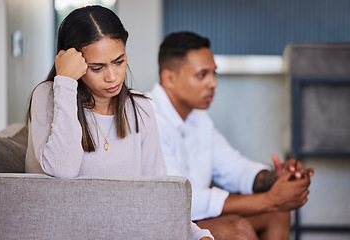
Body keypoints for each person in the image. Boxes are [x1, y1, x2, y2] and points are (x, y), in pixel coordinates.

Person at [25, 6, 213, 240]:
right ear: (74, 64)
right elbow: (62, 171)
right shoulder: (50, 96)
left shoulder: (140, 107)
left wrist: (198, 235)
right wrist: (65, 82)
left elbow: (160, 195)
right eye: (97, 67)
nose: (112, 77)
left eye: (118, 61)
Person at [148, 31, 314, 240]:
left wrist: (274, 177)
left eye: (213, 74)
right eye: (202, 74)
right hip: (164, 222)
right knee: (237, 229)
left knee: (278, 214)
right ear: (169, 77)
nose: (213, 83)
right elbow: (179, 198)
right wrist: (269, 199)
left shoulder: (199, 119)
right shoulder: (147, 118)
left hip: (193, 216)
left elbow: (233, 168)